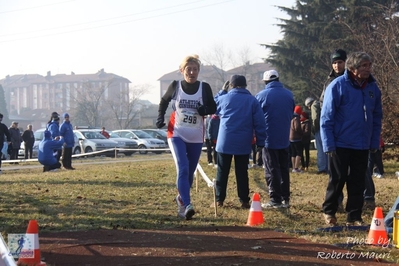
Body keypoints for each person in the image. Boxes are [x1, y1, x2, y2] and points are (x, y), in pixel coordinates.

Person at [321, 51, 382, 226]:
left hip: (362, 143)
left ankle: (354, 216)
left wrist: (373, 141)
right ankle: (329, 211)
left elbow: (377, 116)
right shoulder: (338, 86)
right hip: (340, 142)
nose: (368, 69)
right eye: (364, 66)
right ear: (353, 68)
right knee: (338, 179)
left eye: (369, 65)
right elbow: (326, 117)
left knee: (357, 181)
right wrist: (328, 144)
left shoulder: (372, 88)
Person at [156, 54, 216, 220]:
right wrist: (160, 117)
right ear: (182, 70)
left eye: (195, 69)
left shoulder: (204, 87)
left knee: (190, 172)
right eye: (188, 69)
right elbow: (164, 101)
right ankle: (187, 205)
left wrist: (205, 110)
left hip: (196, 135)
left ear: (198, 71)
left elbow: (213, 107)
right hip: (176, 133)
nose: (192, 72)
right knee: (182, 167)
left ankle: (181, 198)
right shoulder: (176, 86)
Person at [214, 75, 266, 209]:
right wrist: (261, 141)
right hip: (243, 142)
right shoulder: (252, 101)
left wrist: (221, 91)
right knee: (242, 172)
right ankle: (244, 200)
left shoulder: (224, 98)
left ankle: (219, 200)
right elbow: (260, 122)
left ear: (231, 85)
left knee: (222, 171)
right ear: (245, 85)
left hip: (225, 141)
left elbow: (213, 105)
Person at [255, 70, 295, 209]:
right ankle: (286, 198)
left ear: (266, 82)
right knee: (284, 168)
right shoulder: (289, 94)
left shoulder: (261, 95)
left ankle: (275, 199)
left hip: (268, 138)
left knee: (271, 169)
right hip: (284, 137)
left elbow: (256, 117)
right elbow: (291, 113)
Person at [304, 97, 328, 174]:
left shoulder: (314, 106)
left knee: (320, 149)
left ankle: (321, 168)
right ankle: (327, 167)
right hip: (326, 128)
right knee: (326, 149)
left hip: (319, 130)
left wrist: (314, 129)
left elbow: (315, 118)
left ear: (309, 104)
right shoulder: (320, 104)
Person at [363, 136, 385, 210]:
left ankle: (368, 198)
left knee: (373, 161)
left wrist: (379, 144)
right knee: (370, 161)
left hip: (371, 144)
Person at [290, 106, 303, 173]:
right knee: (299, 153)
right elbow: (297, 127)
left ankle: (293, 167)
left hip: (291, 138)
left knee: (293, 153)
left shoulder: (291, 117)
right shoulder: (296, 118)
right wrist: (301, 133)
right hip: (296, 138)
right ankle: (296, 167)